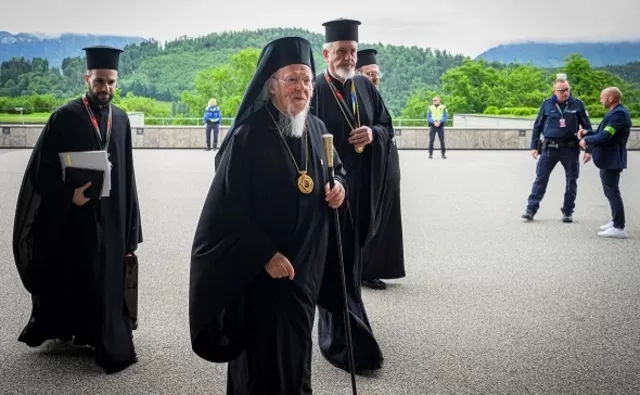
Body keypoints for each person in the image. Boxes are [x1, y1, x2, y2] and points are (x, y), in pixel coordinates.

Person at [189, 36, 347, 394]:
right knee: (262, 364)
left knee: (296, 356)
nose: (302, 88)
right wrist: (263, 255)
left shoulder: (318, 130)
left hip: (306, 272)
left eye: (307, 79)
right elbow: (225, 212)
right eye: (292, 79)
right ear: (272, 85)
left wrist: (340, 191)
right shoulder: (248, 136)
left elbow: (336, 173)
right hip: (264, 277)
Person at [12, 45, 143, 374]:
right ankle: (79, 329)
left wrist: (131, 229)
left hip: (111, 218)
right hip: (76, 218)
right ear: (87, 79)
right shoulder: (65, 117)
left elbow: (128, 176)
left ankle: (102, 334)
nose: (106, 89)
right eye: (99, 81)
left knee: (108, 275)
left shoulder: (122, 120)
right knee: (79, 272)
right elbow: (41, 173)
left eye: (111, 82)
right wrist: (69, 196)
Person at [311, 17, 393, 374]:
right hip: (330, 193)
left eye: (353, 51)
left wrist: (373, 134)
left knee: (352, 261)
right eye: (341, 51)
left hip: (362, 190)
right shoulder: (313, 88)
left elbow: (388, 126)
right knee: (335, 264)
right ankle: (342, 340)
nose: (348, 57)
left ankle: (352, 320)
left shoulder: (363, 84)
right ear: (326, 53)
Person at [356, 48, 405, 290]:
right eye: (369, 74)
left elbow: (386, 127)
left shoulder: (375, 95)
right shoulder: (355, 98)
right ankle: (366, 270)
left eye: (376, 74)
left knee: (385, 221)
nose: (374, 78)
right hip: (370, 171)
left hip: (385, 169)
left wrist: (376, 133)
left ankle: (381, 267)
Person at [522, 77, 593, 222]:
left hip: (570, 148)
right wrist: (534, 147)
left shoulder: (578, 105)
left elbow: (587, 128)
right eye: (561, 91)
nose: (565, 93)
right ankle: (531, 209)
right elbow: (538, 126)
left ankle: (568, 211)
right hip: (550, 148)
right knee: (541, 179)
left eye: (567, 89)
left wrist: (589, 149)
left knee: (571, 180)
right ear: (554, 91)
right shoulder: (547, 104)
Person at [578, 87, 631, 239]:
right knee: (610, 191)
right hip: (607, 160)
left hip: (612, 159)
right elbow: (603, 132)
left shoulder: (619, 114)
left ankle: (619, 227)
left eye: (602, 97)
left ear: (611, 98)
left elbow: (607, 135)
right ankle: (616, 221)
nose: (600, 100)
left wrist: (586, 141)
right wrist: (587, 132)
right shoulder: (615, 113)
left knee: (612, 192)